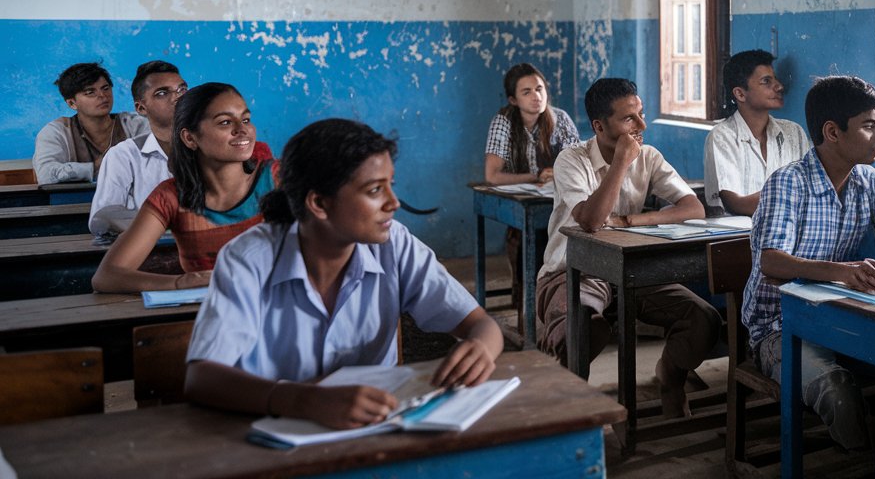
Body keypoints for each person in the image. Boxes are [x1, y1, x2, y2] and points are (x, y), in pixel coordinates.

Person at [185, 118, 503, 429]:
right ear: (319, 203)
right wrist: (304, 401)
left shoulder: (395, 244)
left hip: (374, 429)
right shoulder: (248, 260)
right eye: (375, 190)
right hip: (269, 436)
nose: (393, 203)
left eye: (390, 186)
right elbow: (202, 378)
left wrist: (480, 348)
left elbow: (482, 325)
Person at [742, 75, 875, 451]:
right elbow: (772, 262)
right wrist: (845, 273)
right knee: (838, 392)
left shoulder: (868, 181)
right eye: (869, 127)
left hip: (843, 317)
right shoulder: (788, 183)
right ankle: (869, 463)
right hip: (781, 328)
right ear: (832, 132)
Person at [534, 77, 721, 418]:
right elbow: (591, 221)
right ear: (599, 126)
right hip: (574, 271)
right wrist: (620, 162)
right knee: (580, 328)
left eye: (641, 114)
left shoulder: (648, 156)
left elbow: (693, 208)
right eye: (628, 119)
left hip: (630, 270)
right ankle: (572, 409)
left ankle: (671, 378)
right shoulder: (571, 160)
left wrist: (631, 221)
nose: (641, 126)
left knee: (702, 318)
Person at [91, 83, 277, 293]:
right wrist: (179, 282)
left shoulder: (278, 180)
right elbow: (107, 276)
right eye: (225, 122)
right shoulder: (170, 196)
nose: (242, 130)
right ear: (190, 138)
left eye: (246, 120)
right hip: (210, 310)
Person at [483, 63, 580, 314]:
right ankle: (534, 303)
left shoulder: (560, 118)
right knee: (533, 239)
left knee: (569, 237)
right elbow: (492, 176)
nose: (536, 96)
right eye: (526, 92)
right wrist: (535, 176)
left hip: (555, 199)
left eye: (539, 89)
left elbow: (578, 166)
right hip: (524, 201)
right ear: (513, 100)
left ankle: (560, 302)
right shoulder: (504, 122)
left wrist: (557, 173)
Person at [88, 61, 188, 243]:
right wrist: (168, 224)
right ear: (141, 108)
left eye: (182, 89)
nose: (177, 98)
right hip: (151, 250)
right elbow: (103, 216)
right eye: (162, 93)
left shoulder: (211, 147)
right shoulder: (124, 155)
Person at [703, 50, 810, 216]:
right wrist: (792, 197)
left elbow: (810, 189)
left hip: (790, 228)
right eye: (766, 81)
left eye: (775, 79)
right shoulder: (722, 137)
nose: (779, 87)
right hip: (740, 231)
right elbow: (734, 203)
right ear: (740, 94)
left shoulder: (794, 132)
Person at [33, 62, 149, 184]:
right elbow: (45, 175)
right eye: (90, 92)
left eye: (105, 88)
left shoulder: (136, 124)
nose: (102, 96)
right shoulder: (56, 132)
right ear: (72, 103)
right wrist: (97, 167)